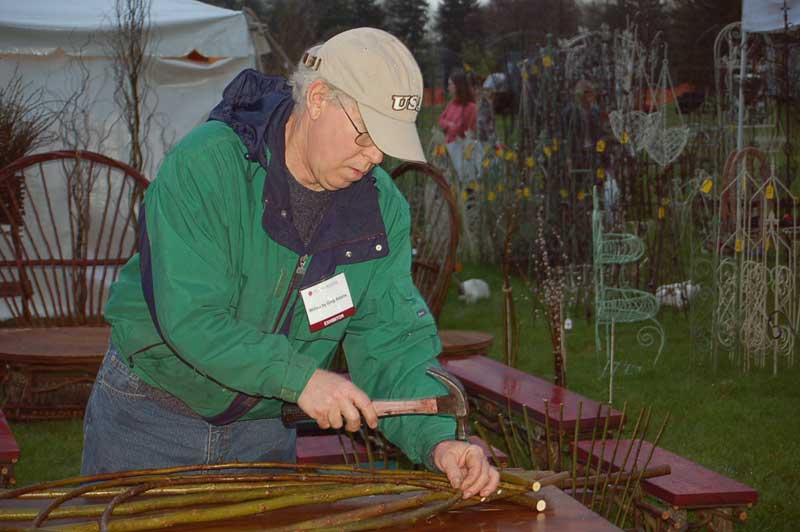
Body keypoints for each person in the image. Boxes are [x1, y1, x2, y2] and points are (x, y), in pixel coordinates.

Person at [81, 27, 499, 500]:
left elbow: (393, 343)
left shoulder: (381, 211)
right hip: (150, 419)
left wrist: (440, 440)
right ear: (318, 98)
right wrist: (299, 379)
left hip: (263, 433)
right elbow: (192, 316)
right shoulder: (207, 165)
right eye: (366, 134)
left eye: (386, 143)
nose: (375, 156)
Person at [438, 68, 477, 143]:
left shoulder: (471, 107)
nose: (448, 87)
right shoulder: (451, 104)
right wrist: (449, 124)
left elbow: (460, 129)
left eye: (450, 84)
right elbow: (441, 120)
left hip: (461, 149)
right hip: (448, 146)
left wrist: (447, 126)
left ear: (458, 86)